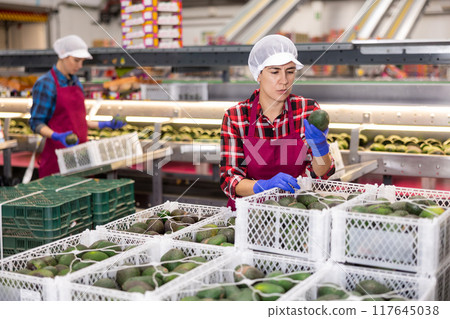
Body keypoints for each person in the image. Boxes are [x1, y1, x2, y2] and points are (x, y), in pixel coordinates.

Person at [220, 34, 335, 209]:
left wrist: (320, 148)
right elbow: (230, 179)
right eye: (274, 72)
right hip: (250, 213)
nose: (284, 81)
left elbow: (320, 173)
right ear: (258, 75)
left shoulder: (307, 110)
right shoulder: (236, 117)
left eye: (290, 72)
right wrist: (261, 186)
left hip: (297, 210)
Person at [29, 35, 124, 178]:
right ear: (63, 56)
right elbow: (36, 123)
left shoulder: (76, 83)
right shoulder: (46, 84)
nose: (80, 66)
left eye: (82, 62)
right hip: (58, 157)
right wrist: (56, 135)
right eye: (76, 60)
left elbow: (77, 120)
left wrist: (105, 124)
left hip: (81, 155)